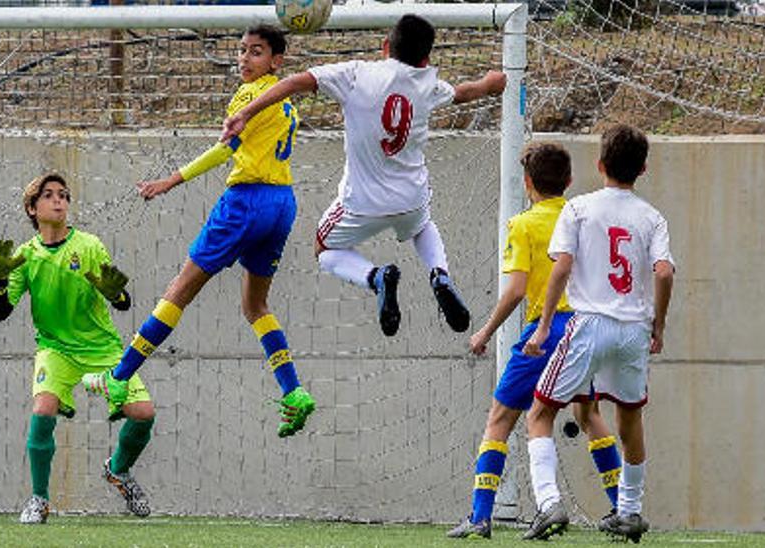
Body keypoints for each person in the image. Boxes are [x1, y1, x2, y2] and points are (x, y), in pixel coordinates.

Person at [84, 24, 315, 438]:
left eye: (256, 51)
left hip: (245, 202)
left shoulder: (250, 95)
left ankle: (119, 377)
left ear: (277, 61)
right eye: (241, 50)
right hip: (282, 205)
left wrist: (169, 181)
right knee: (255, 306)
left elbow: (225, 149)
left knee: (180, 289)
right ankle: (293, 392)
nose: (244, 58)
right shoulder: (285, 103)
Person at [222, 14, 506, 337]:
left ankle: (375, 277)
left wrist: (245, 112)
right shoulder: (427, 83)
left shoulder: (356, 74)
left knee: (324, 250)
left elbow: (293, 83)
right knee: (423, 225)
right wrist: (489, 85)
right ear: (426, 59)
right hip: (411, 199)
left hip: (361, 203)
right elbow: (463, 93)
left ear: (385, 47)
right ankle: (439, 273)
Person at [446, 142, 622, 539]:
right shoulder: (583, 217)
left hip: (544, 332)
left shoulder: (523, 225)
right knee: (588, 414)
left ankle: (481, 515)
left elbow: (516, 290)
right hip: (585, 329)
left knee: (500, 419)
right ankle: (620, 506)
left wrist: (485, 332)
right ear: (569, 181)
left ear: (527, 182)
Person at [520, 125, 675, 542]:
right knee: (629, 418)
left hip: (588, 324)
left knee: (539, 413)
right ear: (642, 168)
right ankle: (630, 511)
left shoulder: (579, 209)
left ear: (600, 165)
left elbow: (563, 266)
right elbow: (663, 271)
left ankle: (549, 503)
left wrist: (547, 325)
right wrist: (658, 324)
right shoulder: (652, 217)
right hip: (633, 331)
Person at [0, 173, 155, 524]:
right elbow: (0, 313)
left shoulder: (89, 246)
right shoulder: (24, 256)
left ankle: (118, 470)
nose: (59, 201)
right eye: (49, 196)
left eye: (63, 195)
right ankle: (39, 500)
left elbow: (122, 301)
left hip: (101, 348)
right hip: (55, 348)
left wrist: (114, 292)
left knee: (144, 414)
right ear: (32, 208)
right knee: (43, 409)